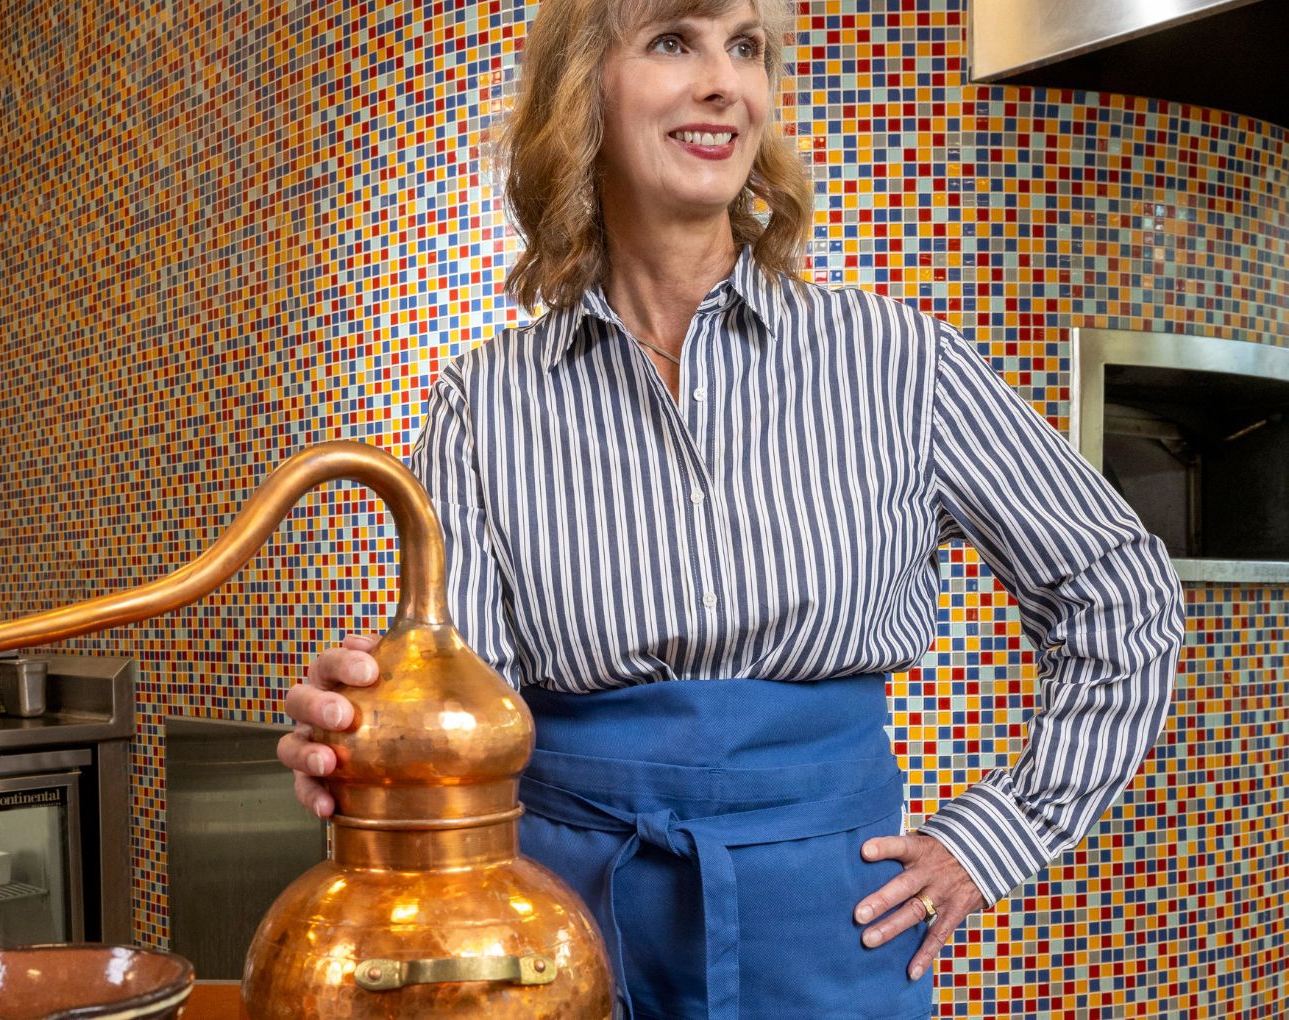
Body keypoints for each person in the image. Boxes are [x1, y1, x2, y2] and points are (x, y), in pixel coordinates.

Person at [277, 0, 1185, 1017]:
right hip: (559, 927)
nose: (725, 82)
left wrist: (993, 839)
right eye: (675, 41)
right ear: (585, 89)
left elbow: (1120, 593)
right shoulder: (484, 401)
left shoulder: (896, 360)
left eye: (746, 48)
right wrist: (383, 735)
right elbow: (468, 699)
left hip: (836, 922)